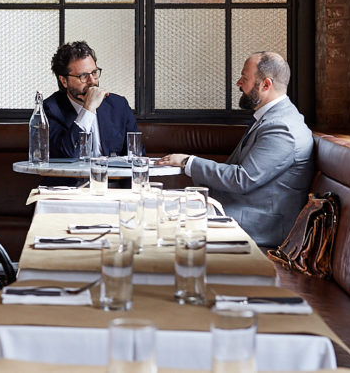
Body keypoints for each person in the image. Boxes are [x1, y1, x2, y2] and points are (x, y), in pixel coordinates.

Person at [158, 51, 315, 248]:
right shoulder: (272, 118)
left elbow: (242, 179)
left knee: (160, 220)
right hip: (241, 209)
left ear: (266, 84)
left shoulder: (283, 128)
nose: (238, 83)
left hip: (259, 226)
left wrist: (187, 162)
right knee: (158, 208)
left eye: (244, 78)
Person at [44, 41, 138, 158]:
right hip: (72, 176)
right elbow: (66, 154)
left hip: (110, 176)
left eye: (94, 73)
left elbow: (136, 155)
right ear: (64, 81)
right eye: (83, 76)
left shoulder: (118, 105)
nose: (92, 81)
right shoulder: (50, 109)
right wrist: (88, 109)